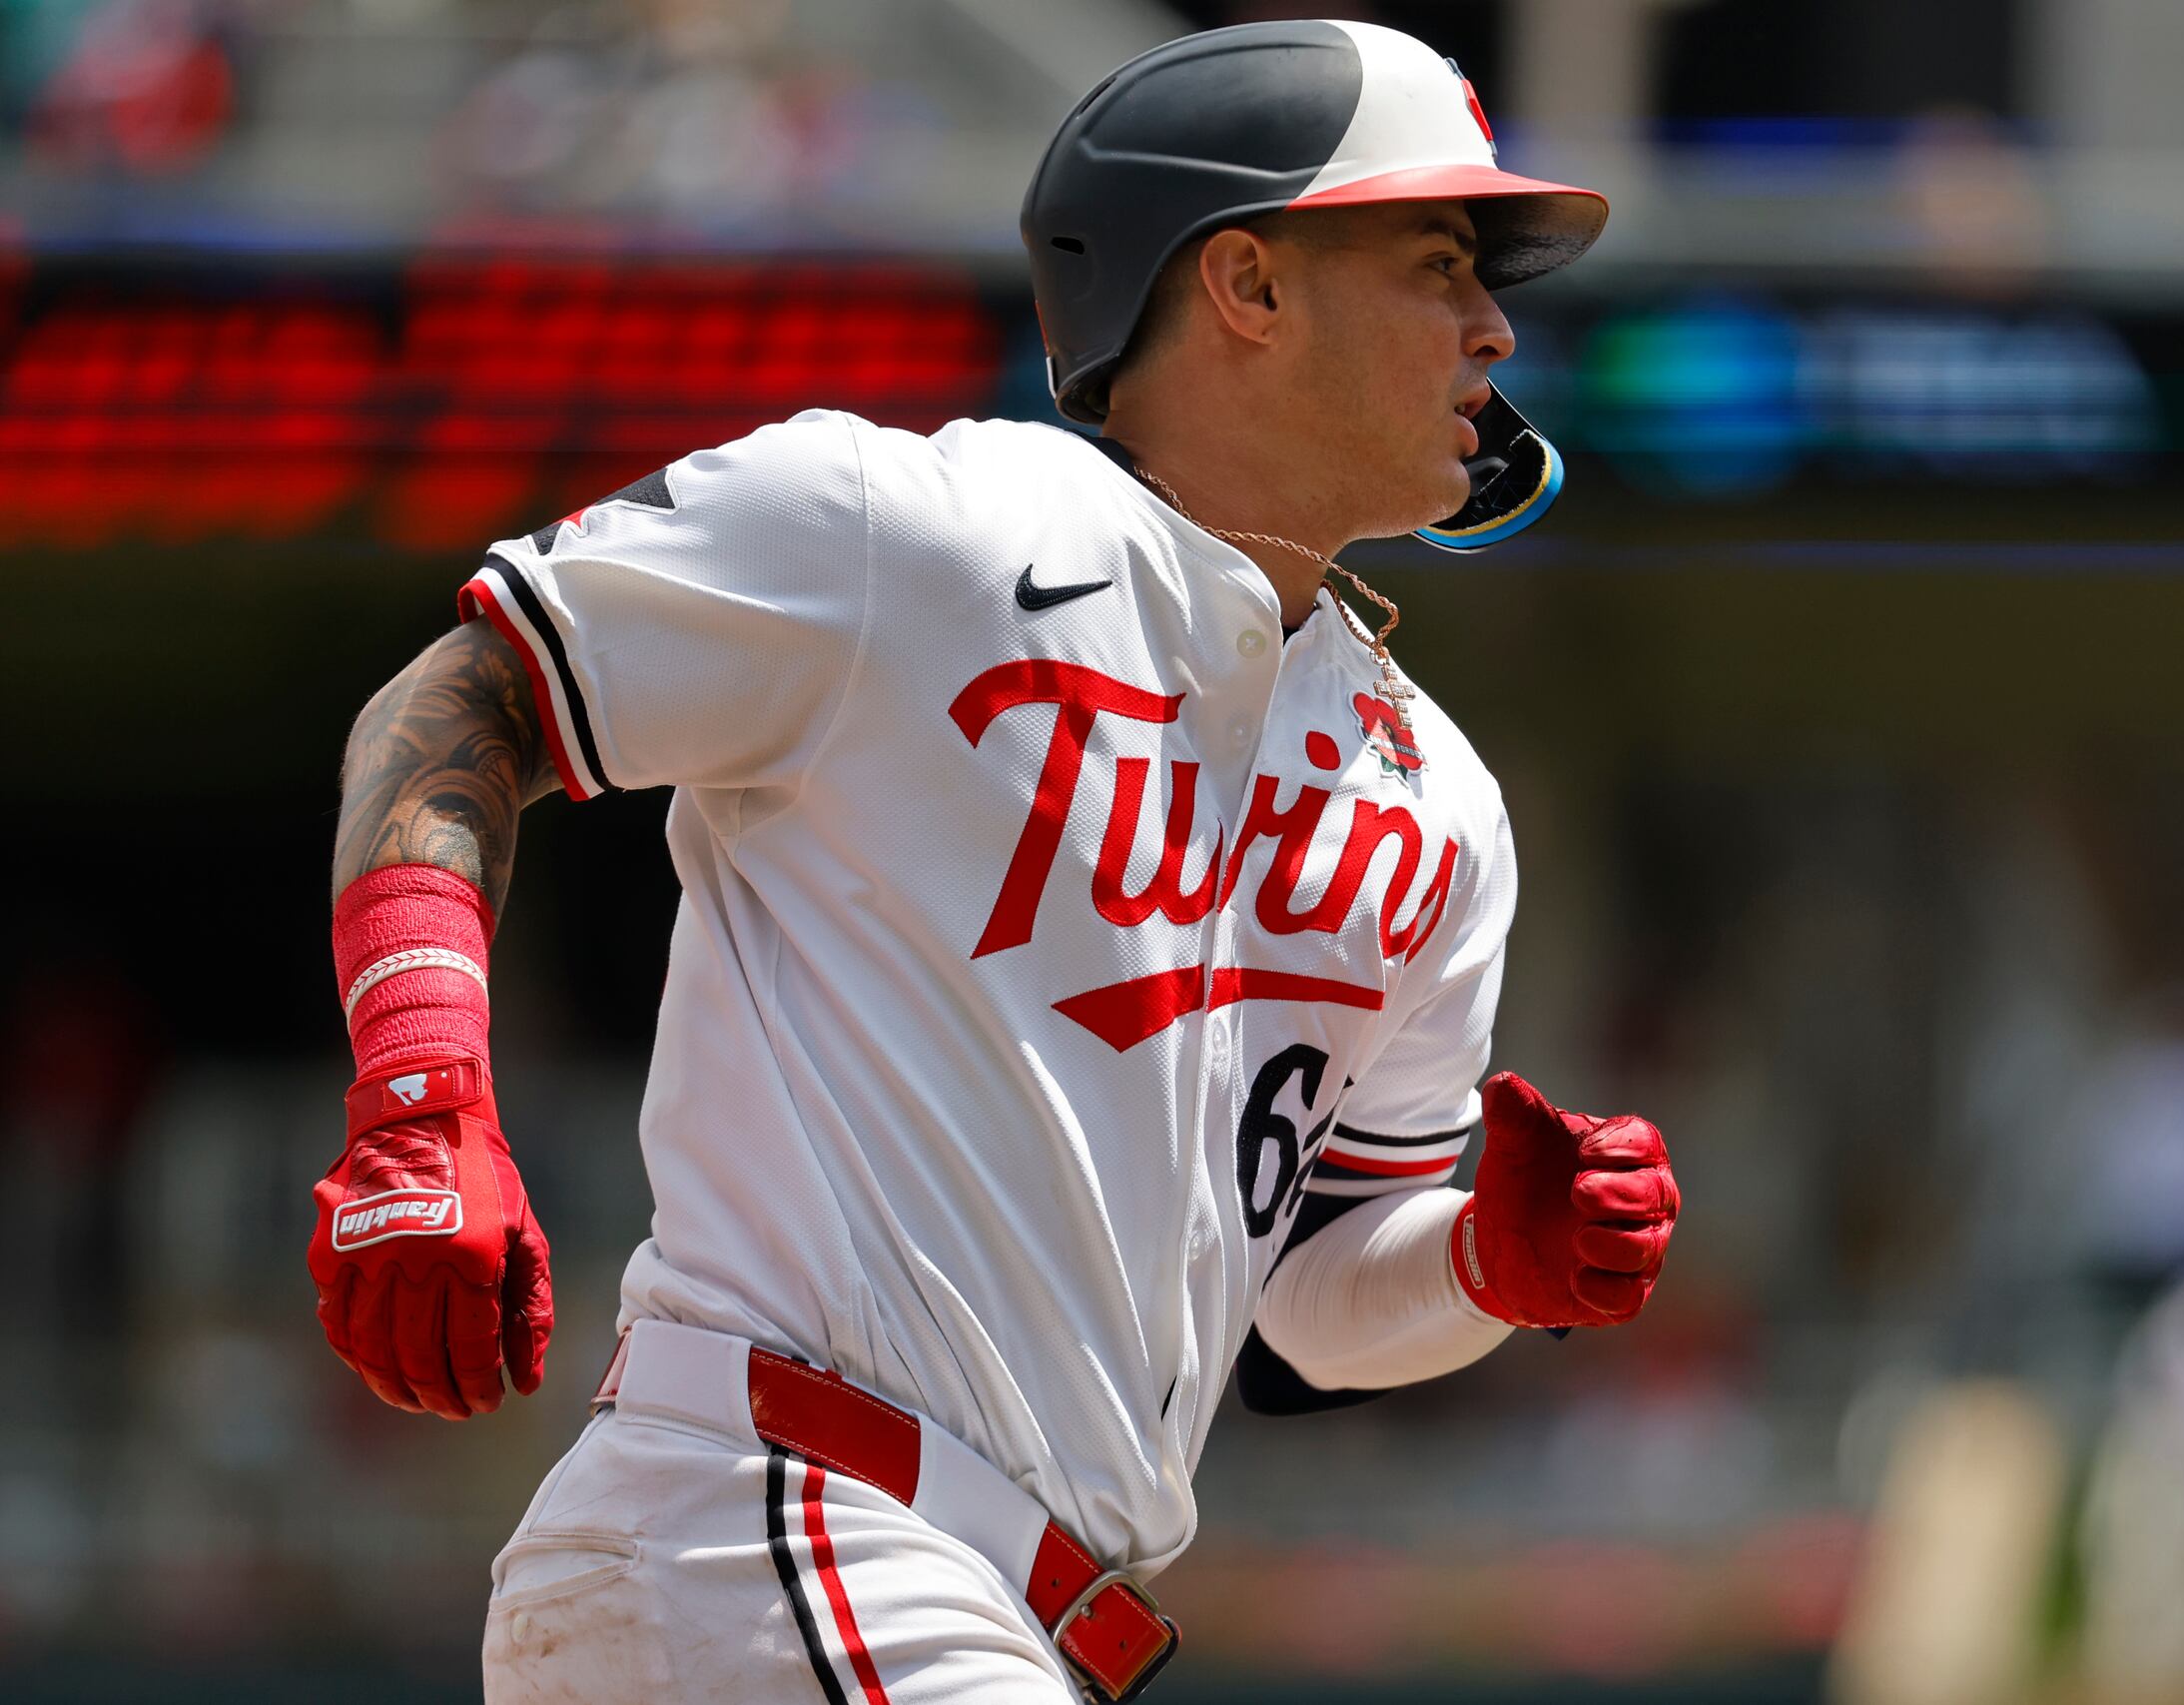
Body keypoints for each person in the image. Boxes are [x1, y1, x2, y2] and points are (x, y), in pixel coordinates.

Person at [308, 20, 1680, 1703]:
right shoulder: (920, 531)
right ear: (1245, 285)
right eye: (1436, 259)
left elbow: (1317, 1294)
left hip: (965, 1602)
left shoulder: (1438, 792)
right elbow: (458, 698)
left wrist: (1488, 1263)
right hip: (782, 1524)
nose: (1494, 326)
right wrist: (423, 1091)